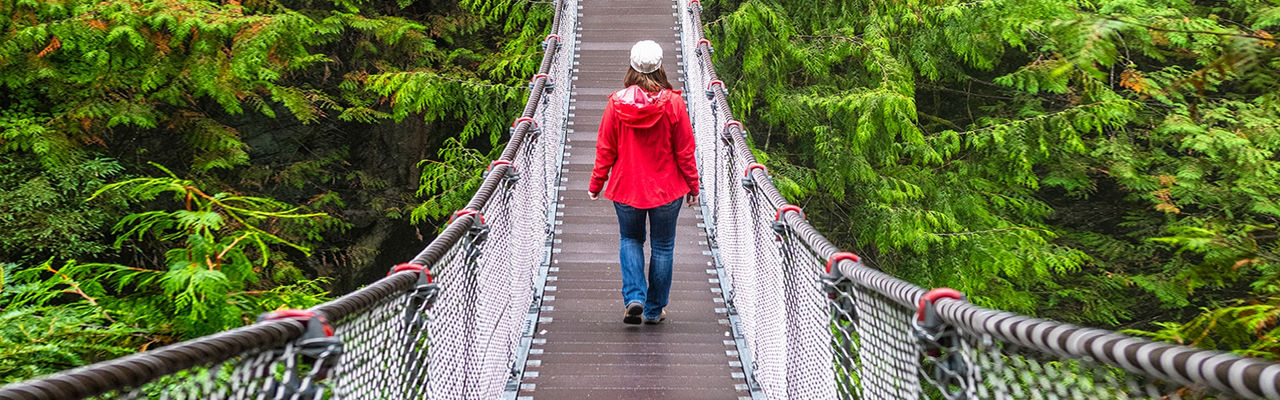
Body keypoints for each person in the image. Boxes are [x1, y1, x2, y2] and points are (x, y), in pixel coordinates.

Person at [587, 40, 700, 325]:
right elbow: (685, 150)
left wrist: (596, 183)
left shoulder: (616, 103)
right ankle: (653, 309)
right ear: (661, 66)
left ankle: (635, 297)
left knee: (630, 239)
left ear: (632, 66)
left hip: (627, 188)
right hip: (667, 190)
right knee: (662, 247)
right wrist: (693, 186)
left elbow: (606, 148)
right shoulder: (674, 103)